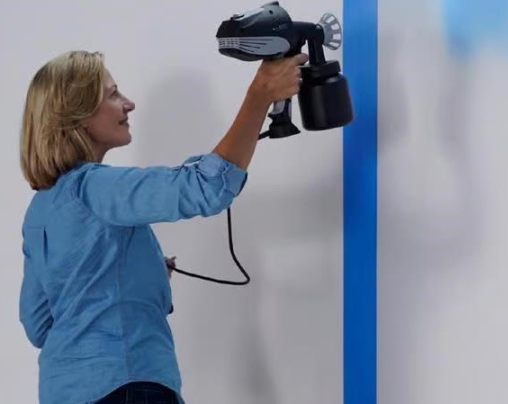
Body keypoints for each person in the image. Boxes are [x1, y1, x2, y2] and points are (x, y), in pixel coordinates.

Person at [18, 50, 308, 404]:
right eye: (112, 94)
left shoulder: (40, 212)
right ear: (77, 115)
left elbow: (38, 324)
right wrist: (260, 93)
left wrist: (132, 277)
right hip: (126, 387)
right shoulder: (97, 187)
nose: (128, 104)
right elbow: (206, 186)